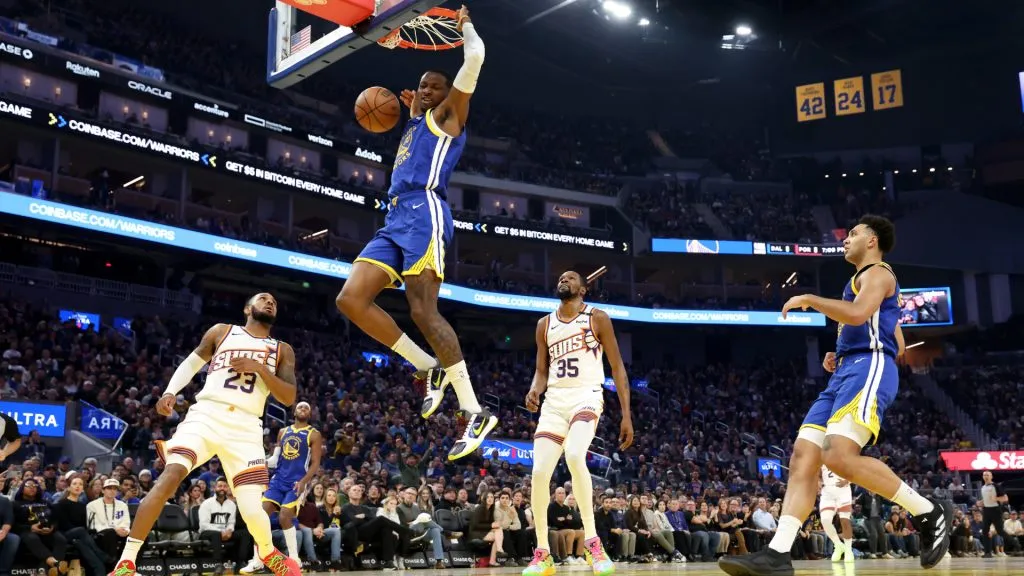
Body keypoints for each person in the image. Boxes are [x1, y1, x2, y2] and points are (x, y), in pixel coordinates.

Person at [720, 215, 953, 576]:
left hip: (869, 369)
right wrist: (842, 352)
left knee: (837, 456)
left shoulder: (879, 273)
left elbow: (862, 317)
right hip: (848, 370)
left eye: (854, 234)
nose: (846, 239)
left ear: (872, 241)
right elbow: (897, 339)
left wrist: (812, 299)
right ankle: (778, 554)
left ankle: (927, 511)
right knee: (803, 456)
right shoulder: (857, 282)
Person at [334, 4, 496, 462]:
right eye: (422, 84)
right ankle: (427, 366)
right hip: (394, 218)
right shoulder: (412, 121)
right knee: (350, 299)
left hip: (426, 211)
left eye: (434, 86)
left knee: (424, 311)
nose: (425, 89)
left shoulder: (449, 117)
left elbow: (476, 58)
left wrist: (465, 25)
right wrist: (385, 35)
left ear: (448, 95)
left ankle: (474, 410)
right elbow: (412, 109)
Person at [108, 293, 300, 576]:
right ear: (247, 308)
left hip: (246, 427)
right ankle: (126, 562)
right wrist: (170, 391)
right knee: (170, 477)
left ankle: (268, 552)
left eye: (274, 301)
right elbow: (191, 363)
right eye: (263, 298)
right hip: (207, 415)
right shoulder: (222, 331)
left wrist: (260, 369)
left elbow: (288, 397)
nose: (270, 302)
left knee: (251, 508)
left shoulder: (282, 349)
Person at [522, 270, 634, 576]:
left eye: (570, 278)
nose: (563, 280)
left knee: (574, 454)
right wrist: (535, 388)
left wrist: (626, 413)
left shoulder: (597, 318)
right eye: (559, 278)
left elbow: (617, 367)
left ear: (583, 288)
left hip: (586, 396)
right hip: (554, 403)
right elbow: (541, 370)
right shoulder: (544, 324)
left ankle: (593, 543)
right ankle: (542, 553)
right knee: (540, 472)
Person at [261, 402, 323, 564]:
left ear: (309, 415)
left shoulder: (314, 434)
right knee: (260, 516)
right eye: (300, 407)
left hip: (296, 483)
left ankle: (294, 558)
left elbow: (315, 463)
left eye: (307, 408)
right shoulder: (283, 432)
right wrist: (263, 462)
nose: (303, 409)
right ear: (294, 412)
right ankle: (258, 558)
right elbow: (275, 459)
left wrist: (304, 482)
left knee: (284, 517)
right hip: (278, 479)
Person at [13, 478, 67, 576]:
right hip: (28, 531)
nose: (32, 488)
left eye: (35, 486)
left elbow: (55, 519)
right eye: (29, 485)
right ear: (22, 488)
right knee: (32, 538)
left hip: (47, 530)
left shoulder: (46, 502)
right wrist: (30, 528)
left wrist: (52, 527)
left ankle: (48, 571)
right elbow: (14, 524)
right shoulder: (16, 504)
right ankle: (55, 564)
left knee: (61, 539)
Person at [53, 476, 106, 576]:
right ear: (68, 487)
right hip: (65, 535)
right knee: (81, 531)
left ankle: (101, 564)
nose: (78, 486)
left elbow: (84, 525)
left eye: (80, 484)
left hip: (79, 539)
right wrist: (80, 533)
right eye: (74, 484)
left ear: (83, 489)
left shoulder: (83, 506)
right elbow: (64, 525)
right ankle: (102, 555)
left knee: (98, 564)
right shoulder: (61, 504)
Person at [198, 478, 251, 570]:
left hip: (225, 532)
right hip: (207, 533)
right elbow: (203, 524)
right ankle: (218, 564)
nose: (222, 488)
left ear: (227, 489)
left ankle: (240, 562)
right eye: (220, 486)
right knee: (216, 534)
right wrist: (221, 531)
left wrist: (230, 530)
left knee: (244, 533)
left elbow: (231, 522)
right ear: (215, 488)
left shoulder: (231, 504)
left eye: (225, 486)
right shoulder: (207, 503)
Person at [818, 465, 855, 564]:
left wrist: (847, 481)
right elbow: (818, 474)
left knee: (845, 521)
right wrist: (818, 482)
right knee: (825, 520)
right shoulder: (821, 455)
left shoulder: (843, 455)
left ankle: (848, 550)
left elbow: (855, 472)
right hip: (827, 492)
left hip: (843, 490)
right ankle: (838, 545)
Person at [86, 479, 130, 560]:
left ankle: (127, 565)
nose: (112, 491)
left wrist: (126, 530)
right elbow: (93, 525)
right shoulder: (92, 505)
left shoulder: (123, 505)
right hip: (100, 535)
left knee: (138, 538)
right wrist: (114, 529)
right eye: (109, 488)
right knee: (111, 533)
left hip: (119, 533)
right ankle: (112, 564)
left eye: (115, 489)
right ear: (103, 490)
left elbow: (126, 522)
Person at [977, 470, 1009, 558]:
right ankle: (988, 553)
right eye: (984, 475)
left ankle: (1016, 545)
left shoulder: (996, 486)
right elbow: (987, 499)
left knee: (1000, 531)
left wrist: (996, 498)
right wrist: (981, 502)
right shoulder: (983, 487)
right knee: (985, 531)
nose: (985, 476)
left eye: (987, 475)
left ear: (991, 477)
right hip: (986, 510)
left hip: (995, 510)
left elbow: (1005, 498)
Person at [468, 491, 505, 567]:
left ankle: (498, 552)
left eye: (492, 497)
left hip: (484, 532)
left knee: (498, 529)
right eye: (488, 497)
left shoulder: (491, 509)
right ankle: (496, 555)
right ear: (484, 499)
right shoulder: (480, 508)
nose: (490, 499)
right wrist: (491, 525)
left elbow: (490, 525)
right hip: (476, 533)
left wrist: (495, 524)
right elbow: (475, 525)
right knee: (497, 537)